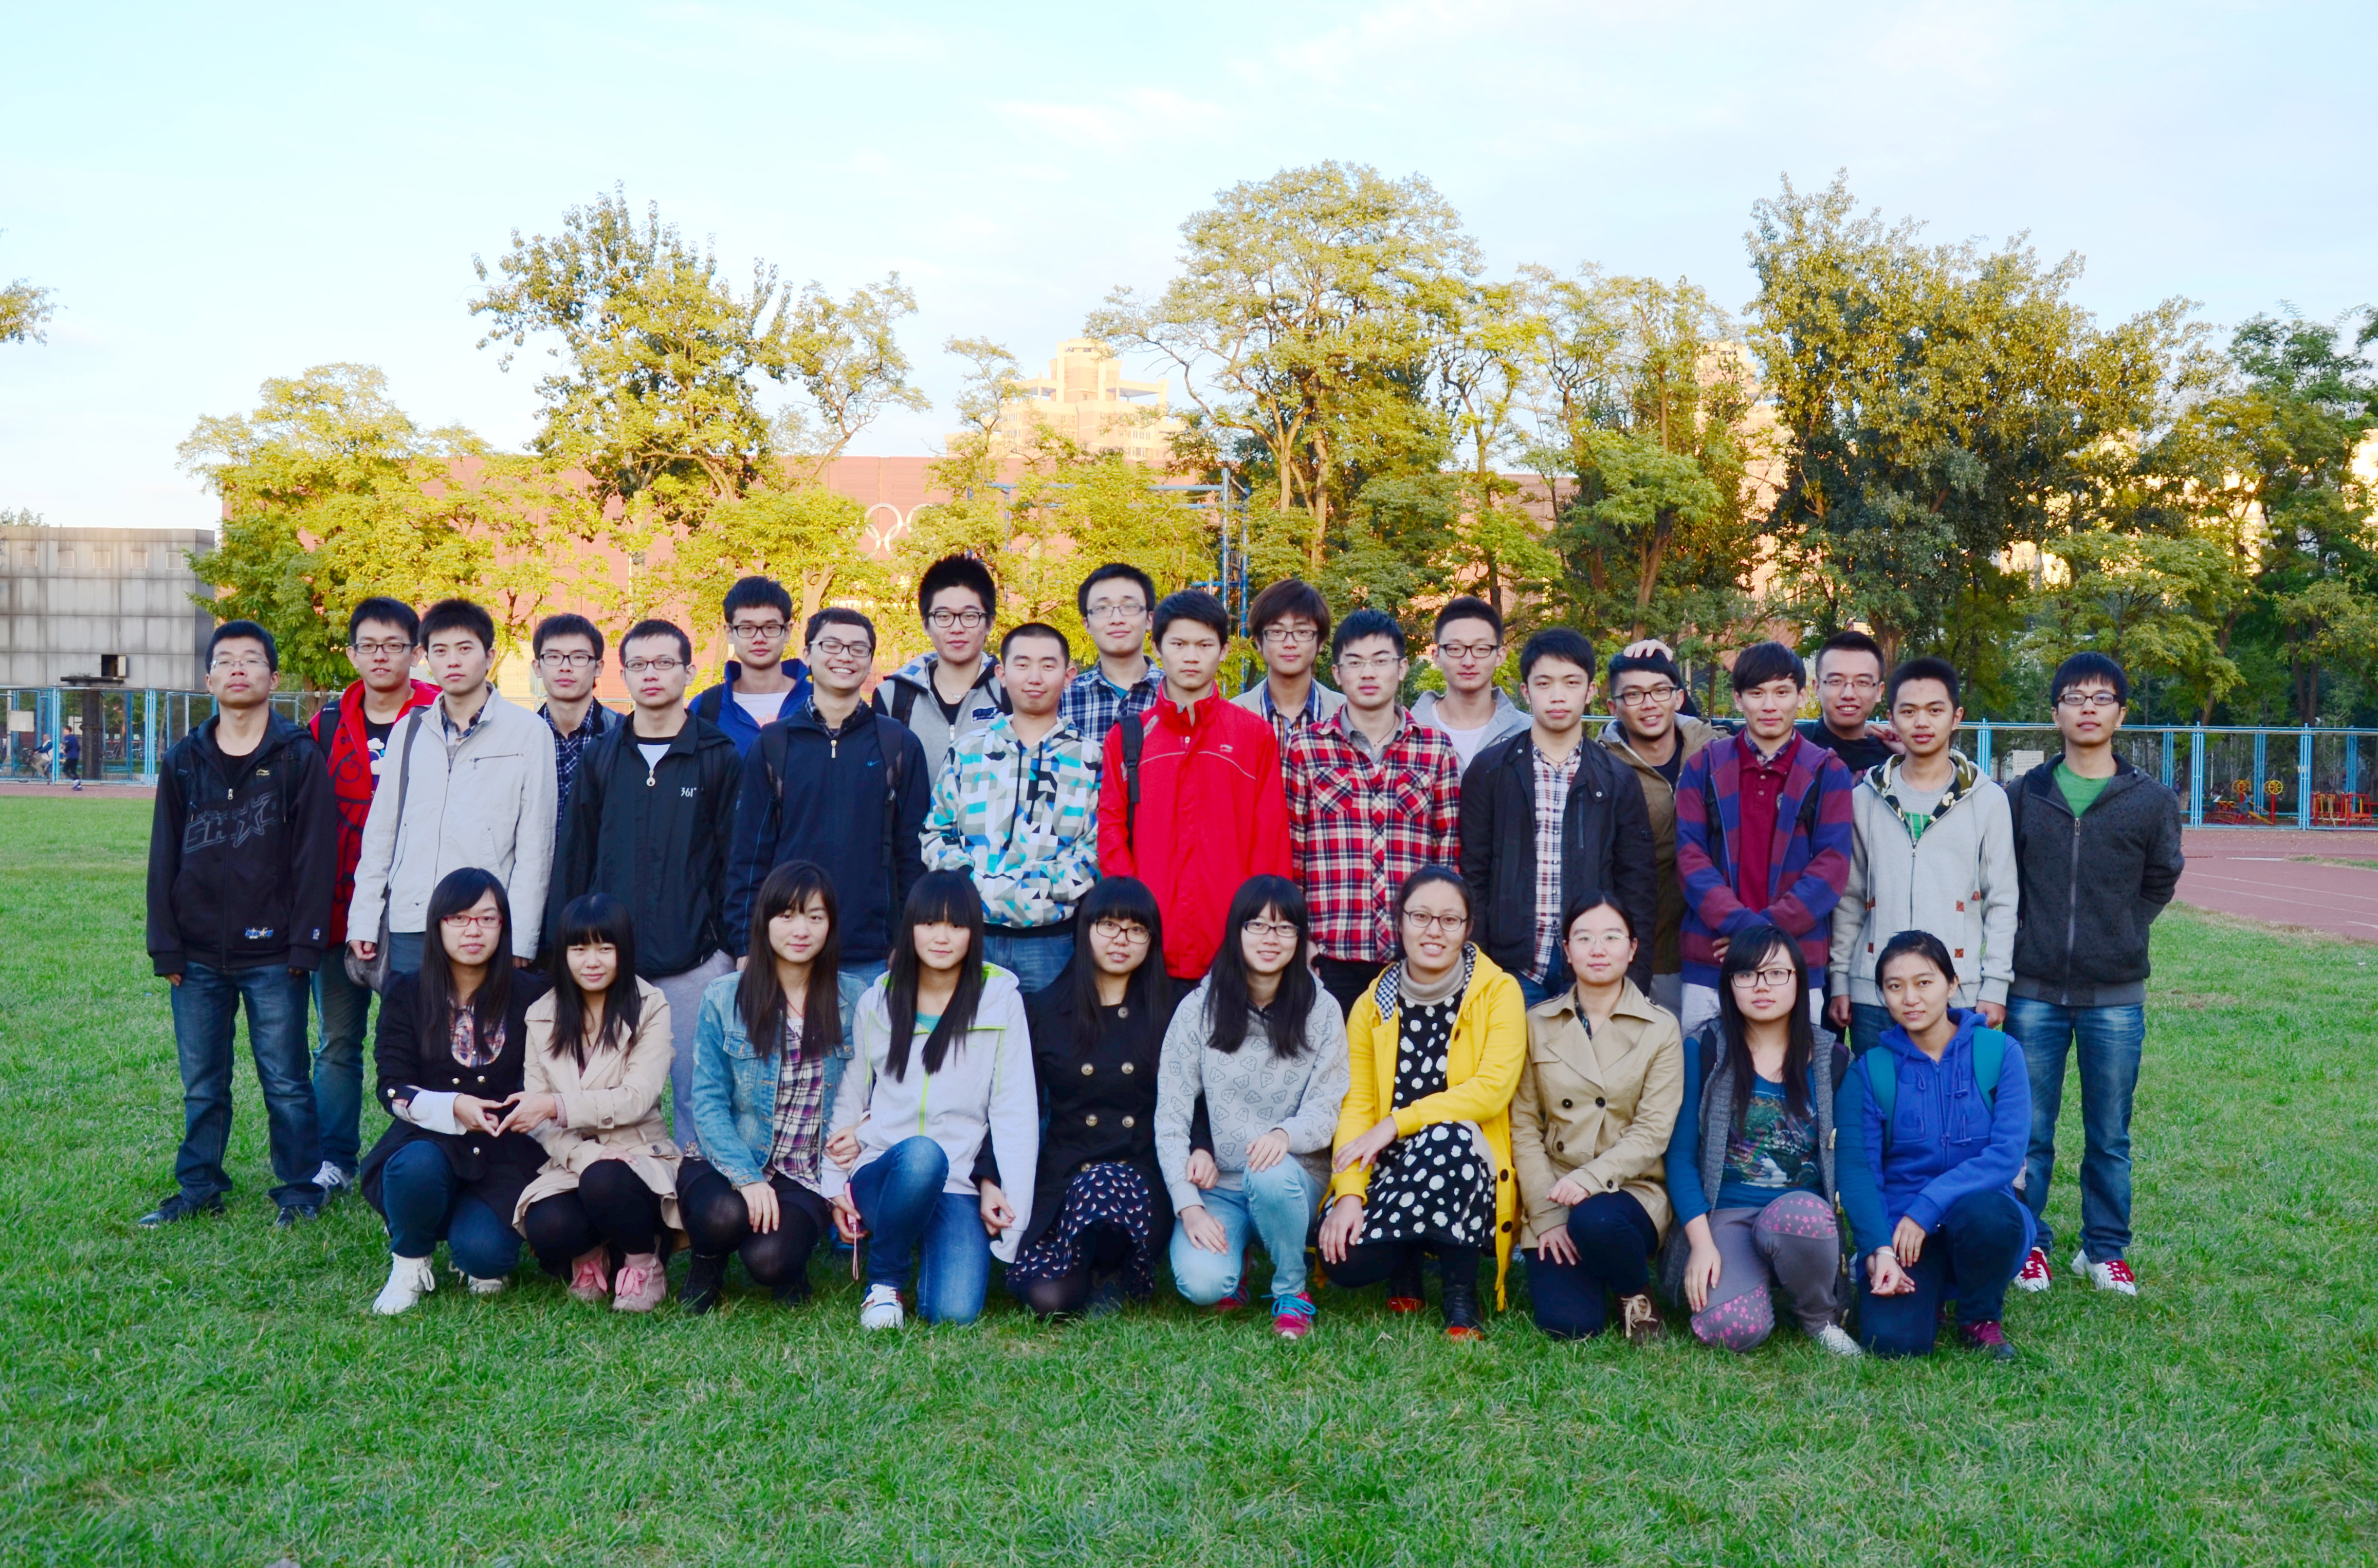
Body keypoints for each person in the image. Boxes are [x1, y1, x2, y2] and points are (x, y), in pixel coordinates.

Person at [140, 619, 338, 1228]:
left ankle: (300, 1189)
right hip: (197, 955)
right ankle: (199, 1186)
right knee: (203, 1083)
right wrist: (165, 946)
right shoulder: (184, 760)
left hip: (275, 955)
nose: (238, 669)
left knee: (286, 1080)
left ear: (272, 679)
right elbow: (163, 856)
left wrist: (305, 943)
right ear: (209, 681)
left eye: (251, 660)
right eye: (225, 660)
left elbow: (316, 857)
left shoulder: (298, 756)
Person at [2006, 652, 2183, 1298]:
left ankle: (2104, 1250)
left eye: (2101, 698)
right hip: (2033, 991)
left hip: (2115, 995)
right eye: (2075, 697)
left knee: (2109, 1134)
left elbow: (2162, 877)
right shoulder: (2023, 795)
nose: (2088, 708)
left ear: (2120, 714)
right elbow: (2004, 878)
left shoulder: (2150, 800)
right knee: (2029, 1132)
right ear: (2055, 712)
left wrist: (2123, 929)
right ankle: (2028, 1244)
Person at [550, 619, 740, 1137]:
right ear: (623, 674)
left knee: (701, 1093)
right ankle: (617, 1182)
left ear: (690, 672)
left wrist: (730, 946)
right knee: (606, 1092)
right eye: (638, 665)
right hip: (609, 961)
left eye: (664, 663)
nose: (650, 674)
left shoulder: (718, 756)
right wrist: (564, 946)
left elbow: (735, 860)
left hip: (696, 959)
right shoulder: (602, 755)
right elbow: (576, 856)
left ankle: (695, 1183)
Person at [823, 872, 1037, 1329]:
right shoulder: (879, 999)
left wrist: (1008, 1202)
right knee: (922, 1154)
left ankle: (917, 1249)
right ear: (910, 928)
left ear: (974, 933)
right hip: (886, 1168)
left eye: (956, 925)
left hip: (958, 1178)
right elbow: (850, 1094)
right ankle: (884, 1283)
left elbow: (1015, 1109)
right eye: (929, 924)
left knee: (954, 1312)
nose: (942, 937)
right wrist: (834, 1187)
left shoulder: (999, 1001)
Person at [1320, 868, 1526, 1339]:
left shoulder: (1498, 992)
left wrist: (1397, 1122)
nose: (1434, 930)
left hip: (1468, 1168)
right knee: (1343, 1261)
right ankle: (1405, 1263)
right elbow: (1357, 1105)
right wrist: (1349, 1193)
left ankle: (1461, 1293)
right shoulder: (1372, 1004)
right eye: (1421, 916)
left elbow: (1492, 1089)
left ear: (1467, 928)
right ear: (1400, 921)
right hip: (1392, 1170)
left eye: (1450, 920)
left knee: (1448, 1138)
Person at [1158, 876, 1350, 1340]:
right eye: (1258, 925)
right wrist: (1188, 1206)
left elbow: (1327, 1107)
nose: (1271, 938)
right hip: (1220, 1183)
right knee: (1202, 1283)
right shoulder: (1197, 1009)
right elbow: (1171, 1117)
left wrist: (1285, 1135)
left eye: (1284, 928)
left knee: (1270, 1172)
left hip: (1293, 1175)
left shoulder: (1322, 1009)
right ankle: (1237, 1262)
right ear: (1237, 931)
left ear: (1300, 938)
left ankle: (1291, 1288)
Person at [725, 605, 930, 1040]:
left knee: (869, 1070)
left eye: (858, 648)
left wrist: (905, 939)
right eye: (831, 645)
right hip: (789, 946)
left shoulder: (898, 744)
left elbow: (912, 855)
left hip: (871, 953)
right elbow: (749, 853)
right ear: (807, 653)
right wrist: (746, 943)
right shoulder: (775, 743)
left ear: (870, 659)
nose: (845, 656)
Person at [1662, 923, 1860, 1356]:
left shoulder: (1834, 1060)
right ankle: (1751, 1282)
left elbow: (1853, 1164)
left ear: (1799, 981)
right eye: (1746, 974)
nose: (1761, 986)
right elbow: (1680, 1157)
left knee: (1800, 1216)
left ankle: (1819, 1317)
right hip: (1725, 1214)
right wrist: (1700, 1243)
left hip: (1799, 1213)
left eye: (1776, 973)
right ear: (1729, 984)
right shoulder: (1705, 1049)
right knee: (1731, 1329)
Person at [359, 869, 551, 1314]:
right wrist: (454, 1107)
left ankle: (469, 1234)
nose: (473, 930)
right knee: (417, 1168)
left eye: (487, 918)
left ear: (503, 926)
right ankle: (410, 1261)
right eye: (459, 918)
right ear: (438, 925)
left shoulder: (534, 993)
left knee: (486, 1258)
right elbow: (391, 1086)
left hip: (504, 1154)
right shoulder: (406, 991)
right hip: (428, 1143)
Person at [1837, 930, 2034, 1359]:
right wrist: (1878, 1247)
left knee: (1989, 1215)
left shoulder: (2000, 1052)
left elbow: (2006, 1156)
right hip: (1902, 1230)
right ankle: (1929, 1298)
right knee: (1891, 1343)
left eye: (1924, 982)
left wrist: (1927, 1207)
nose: (1911, 998)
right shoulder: (1870, 1070)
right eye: (1895, 986)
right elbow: (1858, 1171)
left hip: (1979, 1215)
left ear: (1952, 983)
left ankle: (1979, 1315)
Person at [1004, 877, 1188, 1319]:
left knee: (1104, 1185)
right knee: (1047, 1300)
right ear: (1084, 929)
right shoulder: (1045, 1010)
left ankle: (1118, 1268)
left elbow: (1193, 1099)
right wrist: (993, 1176)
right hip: (1066, 1177)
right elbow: (1016, 1106)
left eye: (1136, 929)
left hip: (1139, 1178)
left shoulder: (1174, 1009)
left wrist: (1199, 1149)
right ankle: (1088, 1270)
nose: (1121, 939)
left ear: (1151, 940)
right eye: (1108, 925)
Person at [307, 597, 440, 1198]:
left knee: (424, 1040)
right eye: (369, 646)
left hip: (420, 912)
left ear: (416, 652)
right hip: (340, 910)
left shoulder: (440, 715)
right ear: (353, 654)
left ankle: (419, 1151)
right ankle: (333, 1158)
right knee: (338, 1042)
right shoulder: (327, 726)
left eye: (394, 645)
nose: (381, 656)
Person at [347, 598, 558, 977]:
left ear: (489, 656)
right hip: (411, 920)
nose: (453, 661)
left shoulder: (528, 732)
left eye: (465, 649)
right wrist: (364, 918)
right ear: (427, 658)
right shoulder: (409, 730)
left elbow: (536, 846)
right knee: (407, 1016)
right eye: (441, 651)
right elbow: (381, 833)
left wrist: (521, 937)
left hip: (481, 923)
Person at [1507, 893, 1681, 1342]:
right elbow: (1524, 1125)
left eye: (1612, 937)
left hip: (1630, 1189)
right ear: (1567, 950)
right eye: (1584, 938)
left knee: (1597, 1222)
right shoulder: (1537, 1022)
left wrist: (1590, 1179)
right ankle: (1595, 1270)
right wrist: (1546, 1214)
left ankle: (1635, 1293)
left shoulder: (1661, 1027)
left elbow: (1653, 1131)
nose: (1598, 949)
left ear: (1633, 948)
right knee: (1570, 1324)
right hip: (1555, 1188)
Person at [679, 861, 850, 1314]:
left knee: (771, 1261)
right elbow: (709, 1102)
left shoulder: (853, 1000)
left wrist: (862, 1128)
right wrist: (748, 1177)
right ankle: (707, 1259)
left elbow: (878, 1089)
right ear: (765, 921)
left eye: (815, 916)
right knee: (723, 1215)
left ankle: (791, 1256)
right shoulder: (724, 996)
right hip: (727, 1157)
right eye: (787, 915)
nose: (801, 929)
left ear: (831, 925)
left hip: (802, 1171)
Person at [1097, 589, 1292, 981]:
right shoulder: (1128, 737)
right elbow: (1111, 832)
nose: (1191, 656)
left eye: (1204, 645)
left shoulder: (1253, 735)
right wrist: (1132, 913)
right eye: (1178, 644)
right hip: (1149, 944)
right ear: (1157, 648)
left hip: (1230, 946)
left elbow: (1270, 840)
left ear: (1223, 651)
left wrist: (1261, 928)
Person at [1458, 627, 1657, 1008]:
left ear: (1591, 690)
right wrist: (1477, 966)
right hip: (1509, 969)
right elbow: (1472, 875)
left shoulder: (1618, 779)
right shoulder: (1490, 771)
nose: (1558, 695)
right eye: (1544, 683)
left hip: (1590, 967)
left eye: (1571, 682)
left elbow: (1638, 886)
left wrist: (1634, 980)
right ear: (1526, 691)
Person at [1827, 657, 2016, 1055]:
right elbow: (1849, 898)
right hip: (1876, 991)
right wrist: (1842, 978)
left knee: (1952, 1094)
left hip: (1957, 990)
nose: (1922, 722)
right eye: (1909, 711)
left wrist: (1995, 984)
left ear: (1956, 717)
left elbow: (2002, 901)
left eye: (1935, 710)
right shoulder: (1864, 798)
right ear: (1892, 718)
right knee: (1878, 1093)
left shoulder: (1988, 800)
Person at [1285, 607, 1463, 1021]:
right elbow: (1292, 853)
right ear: (1337, 672)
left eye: (1381, 660)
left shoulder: (1435, 748)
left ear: (1402, 668)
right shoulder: (1306, 747)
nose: (1368, 672)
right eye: (1355, 662)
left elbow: (1448, 855)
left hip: (1414, 951)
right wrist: (1300, 938)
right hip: (1330, 952)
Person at [1674, 640, 1854, 1041]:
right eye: (1757, 693)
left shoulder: (1827, 772)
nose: (1770, 705)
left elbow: (1831, 868)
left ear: (1802, 696)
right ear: (1739, 699)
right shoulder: (1704, 766)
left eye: (1782, 692)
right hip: (1712, 960)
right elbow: (1690, 858)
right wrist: (1744, 928)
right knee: (1705, 1069)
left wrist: (1763, 935)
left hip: (1795, 962)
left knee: (1792, 1074)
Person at [510, 893, 682, 1311]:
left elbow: (637, 1097)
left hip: (638, 1153)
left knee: (605, 1180)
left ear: (624, 951)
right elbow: (537, 1118)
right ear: (563, 953)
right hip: (572, 1159)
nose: (592, 961)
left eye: (605, 948)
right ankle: (593, 1256)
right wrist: (582, 1152)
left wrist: (557, 1106)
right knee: (547, 1225)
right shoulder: (541, 1014)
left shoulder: (650, 1005)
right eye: (579, 948)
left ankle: (644, 1261)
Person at [922, 622, 1101, 993]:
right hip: (970, 933)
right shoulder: (969, 751)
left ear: (1069, 675)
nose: (1034, 677)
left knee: (1047, 1029)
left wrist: (1033, 890)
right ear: (1002, 674)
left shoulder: (1090, 759)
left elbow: (1095, 849)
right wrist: (972, 883)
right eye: (1022, 664)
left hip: (1050, 941)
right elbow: (936, 833)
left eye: (1048, 665)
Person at [1598, 641, 1721, 1018]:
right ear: (1613, 706)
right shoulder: (1600, 768)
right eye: (1634, 694)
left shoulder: (1715, 750)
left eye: (1660, 691)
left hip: (1715, 945)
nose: (1649, 704)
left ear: (1679, 698)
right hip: (1644, 954)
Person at [873, 554, 1009, 778]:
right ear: (926, 625)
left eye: (970, 616)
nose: (957, 628)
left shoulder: (1011, 692)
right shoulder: (893, 697)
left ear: (990, 623)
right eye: (943, 616)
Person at [690, 575, 810, 757]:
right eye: (747, 628)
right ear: (729, 633)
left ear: (787, 632)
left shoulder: (817, 701)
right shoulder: (706, 708)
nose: (759, 639)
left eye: (770, 628)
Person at [1412, 596, 1529, 771]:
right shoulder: (1407, 733)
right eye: (1455, 649)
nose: (1468, 662)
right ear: (1436, 657)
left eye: (1481, 649)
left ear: (1500, 656)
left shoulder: (1528, 733)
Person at [532, 612, 618, 844]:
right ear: (537, 667)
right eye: (553, 657)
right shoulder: (520, 738)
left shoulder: (621, 735)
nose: (565, 667)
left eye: (579, 657)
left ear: (599, 667)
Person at [1057, 562, 1163, 746]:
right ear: (1087, 624)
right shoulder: (1062, 698)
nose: (1117, 619)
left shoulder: (1177, 694)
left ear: (1149, 619)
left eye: (1129, 606)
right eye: (1102, 608)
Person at [1232, 577, 1343, 750]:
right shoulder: (1232, 716)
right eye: (1277, 632)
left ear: (1321, 642)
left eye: (1302, 632)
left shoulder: (1347, 714)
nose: (1290, 643)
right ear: (1259, 642)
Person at [1799, 630, 1900, 774]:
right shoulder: (1792, 746)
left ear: (1879, 691)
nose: (1848, 694)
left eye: (1862, 682)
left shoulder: (1895, 760)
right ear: (1817, 688)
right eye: (1836, 681)